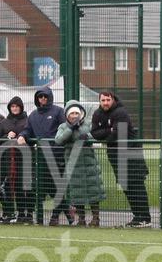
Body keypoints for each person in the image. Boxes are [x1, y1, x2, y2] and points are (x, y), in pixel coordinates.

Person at [91, 91, 151, 227]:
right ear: (99, 101)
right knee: (126, 186)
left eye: (108, 100)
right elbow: (94, 133)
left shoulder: (121, 112)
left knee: (136, 185)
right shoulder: (97, 114)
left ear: (113, 100)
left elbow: (119, 134)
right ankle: (138, 217)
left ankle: (145, 218)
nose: (105, 103)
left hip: (131, 154)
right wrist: (110, 131)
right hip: (115, 156)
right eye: (103, 100)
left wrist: (107, 134)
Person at [18, 86, 72, 226]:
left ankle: (56, 216)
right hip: (41, 159)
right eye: (40, 96)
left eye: (45, 96)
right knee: (46, 188)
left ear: (50, 97)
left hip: (57, 157)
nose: (42, 99)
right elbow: (27, 130)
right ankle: (66, 213)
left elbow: (65, 129)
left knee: (56, 188)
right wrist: (22, 136)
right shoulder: (33, 115)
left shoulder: (58, 111)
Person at [55, 101, 106, 227]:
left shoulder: (88, 124)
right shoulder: (63, 127)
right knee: (77, 192)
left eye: (76, 113)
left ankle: (96, 218)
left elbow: (97, 135)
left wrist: (87, 137)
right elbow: (59, 140)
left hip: (89, 164)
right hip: (73, 165)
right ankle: (81, 219)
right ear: (67, 115)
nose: (74, 116)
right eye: (71, 113)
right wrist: (70, 129)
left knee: (93, 191)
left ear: (81, 114)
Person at [0, 96, 32, 224]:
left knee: (27, 187)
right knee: (15, 186)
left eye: (17, 106)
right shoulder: (4, 122)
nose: (15, 108)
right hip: (9, 160)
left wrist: (22, 137)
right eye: (12, 106)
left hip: (25, 158)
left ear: (21, 107)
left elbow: (30, 134)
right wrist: (7, 136)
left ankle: (29, 213)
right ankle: (19, 213)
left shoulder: (27, 121)